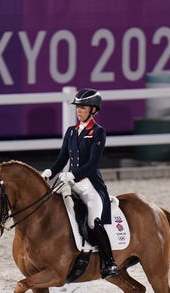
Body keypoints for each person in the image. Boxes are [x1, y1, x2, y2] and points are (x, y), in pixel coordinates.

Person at [41, 88, 118, 279]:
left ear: (93, 110)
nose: (78, 111)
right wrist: (51, 171)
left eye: (82, 108)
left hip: (89, 184)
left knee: (93, 221)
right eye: (77, 108)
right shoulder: (71, 132)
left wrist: (73, 174)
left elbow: (92, 164)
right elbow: (62, 158)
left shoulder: (98, 132)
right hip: (71, 182)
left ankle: (110, 262)